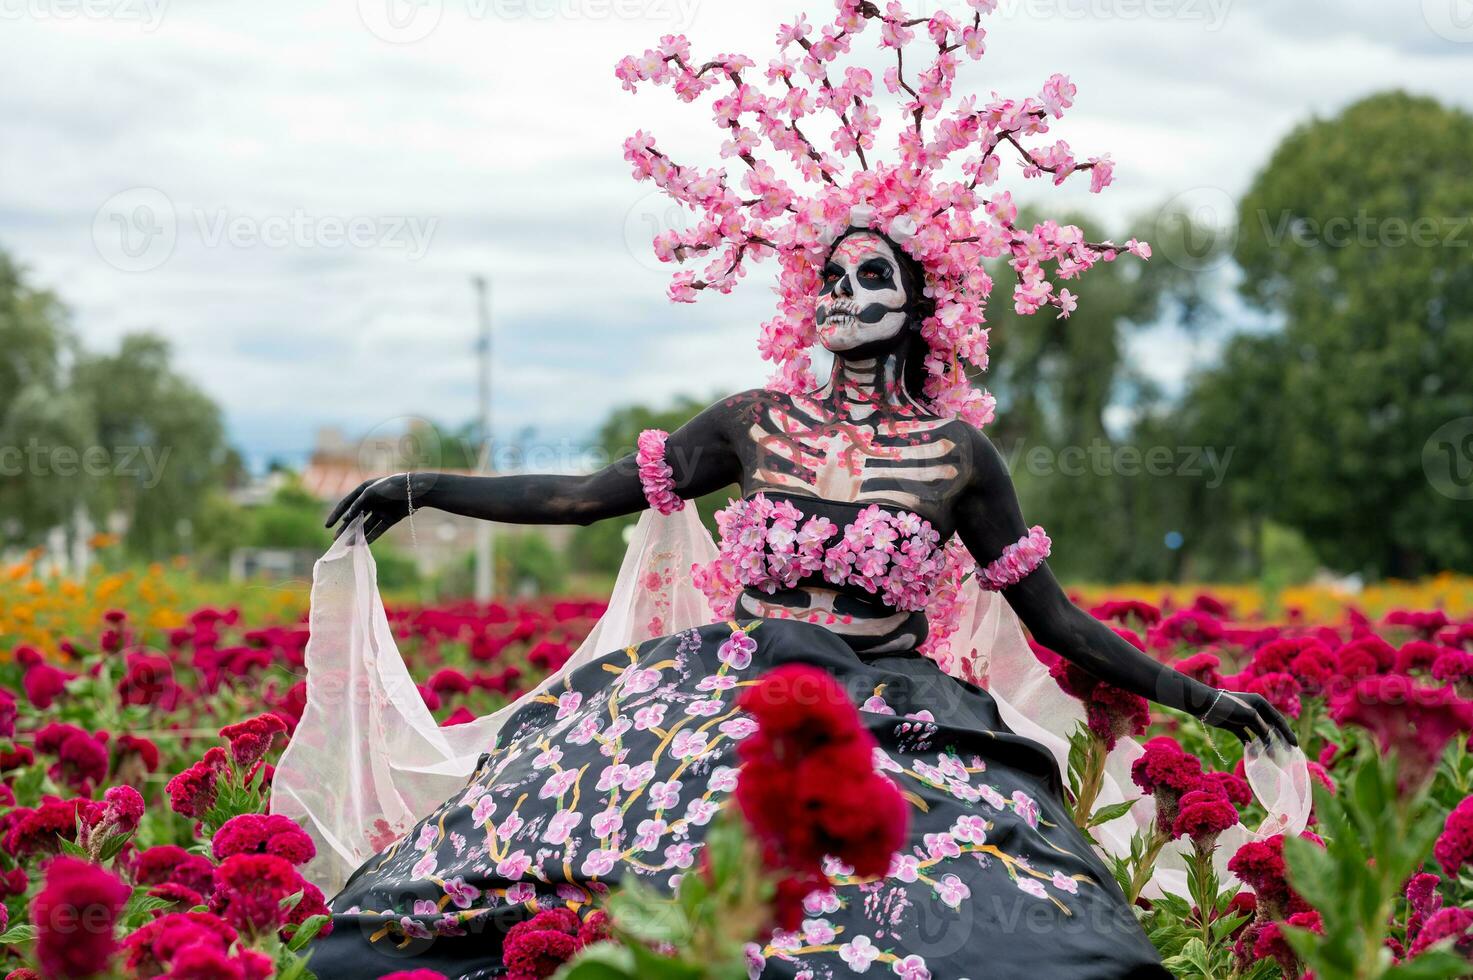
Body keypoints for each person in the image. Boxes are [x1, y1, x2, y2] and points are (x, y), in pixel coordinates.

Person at [289, 4, 1298, 976]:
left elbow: (1056, 619)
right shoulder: (754, 420)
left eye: (872, 280)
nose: (847, 296)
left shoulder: (956, 456)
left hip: (897, 713)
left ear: (917, 303)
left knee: (967, 920)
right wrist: (426, 486)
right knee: (592, 872)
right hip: (734, 689)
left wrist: (1207, 696)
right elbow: (588, 495)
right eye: (834, 280)